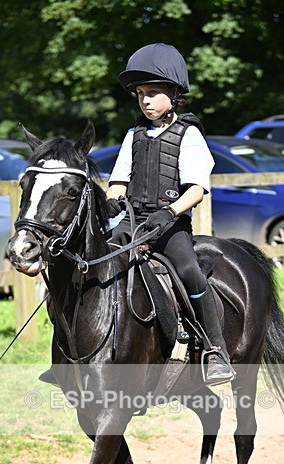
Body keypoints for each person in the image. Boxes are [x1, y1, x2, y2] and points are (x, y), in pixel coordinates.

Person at [105, 42, 235, 386]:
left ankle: (215, 350)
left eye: (152, 93)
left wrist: (170, 212)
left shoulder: (188, 134)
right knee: (94, 261)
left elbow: (197, 189)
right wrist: (114, 201)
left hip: (169, 224)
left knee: (189, 271)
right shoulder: (133, 134)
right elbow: (118, 181)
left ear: (174, 94)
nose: (145, 101)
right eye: (140, 94)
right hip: (133, 221)